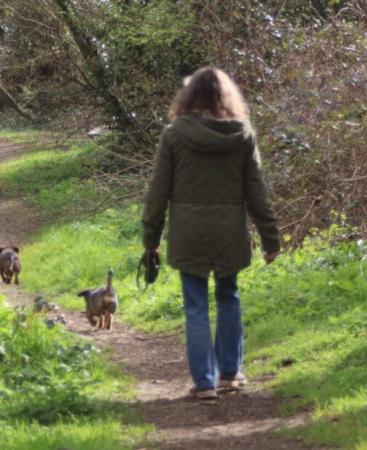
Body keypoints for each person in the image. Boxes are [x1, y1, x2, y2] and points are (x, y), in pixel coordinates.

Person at [142, 67, 280, 400]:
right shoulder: (242, 134)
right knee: (229, 297)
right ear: (228, 98)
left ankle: (204, 383)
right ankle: (230, 374)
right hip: (229, 231)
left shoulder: (174, 135)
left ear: (188, 97)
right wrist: (270, 237)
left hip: (189, 232)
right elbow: (256, 189)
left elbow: (158, 190)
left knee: (195, 306)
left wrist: (151, 237)